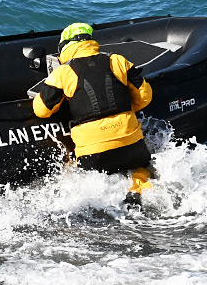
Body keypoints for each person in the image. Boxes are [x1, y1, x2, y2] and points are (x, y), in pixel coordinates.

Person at [30, 22, 156, 206]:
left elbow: (41, 110)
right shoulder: (117, 60)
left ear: (65, 47)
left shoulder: (63, 72)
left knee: (72, 170)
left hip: (92, 152)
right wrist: (125, 112)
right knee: (143, 167)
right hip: (129, 143)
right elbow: (145, 96)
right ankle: (137, 189)